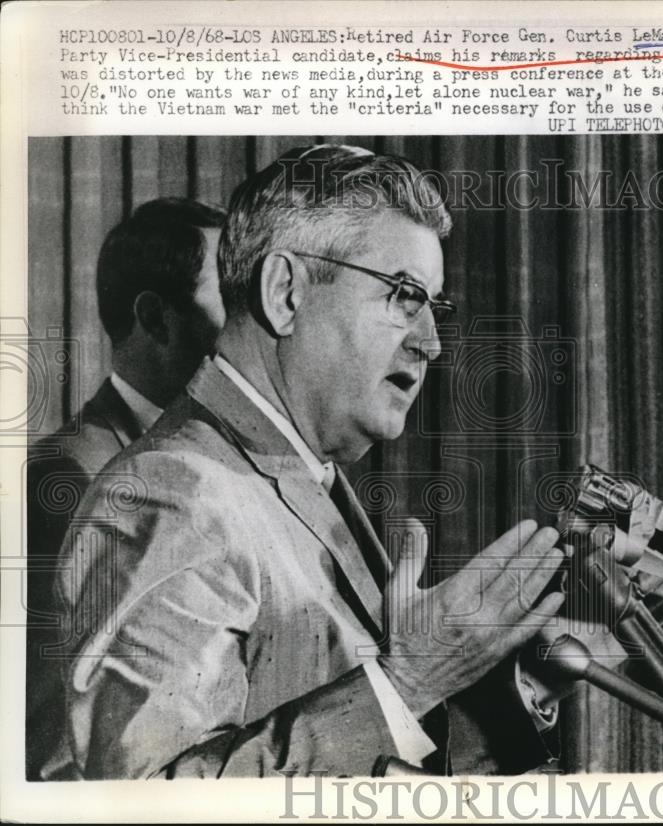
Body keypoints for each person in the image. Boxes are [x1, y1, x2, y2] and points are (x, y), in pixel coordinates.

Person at [45, 146, 567, 779]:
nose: (431, 342)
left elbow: (377, 746)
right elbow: (147, 801)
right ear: (285, 293)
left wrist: (542, 670)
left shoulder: (299, 473)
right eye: (404, 296)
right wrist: (406, 683)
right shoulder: (172, 490)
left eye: (435, 306)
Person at [25, 197, 227, 780]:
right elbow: (55, 745)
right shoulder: (69, 478)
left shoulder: (211, 459)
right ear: (157, 319)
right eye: (234, 300)